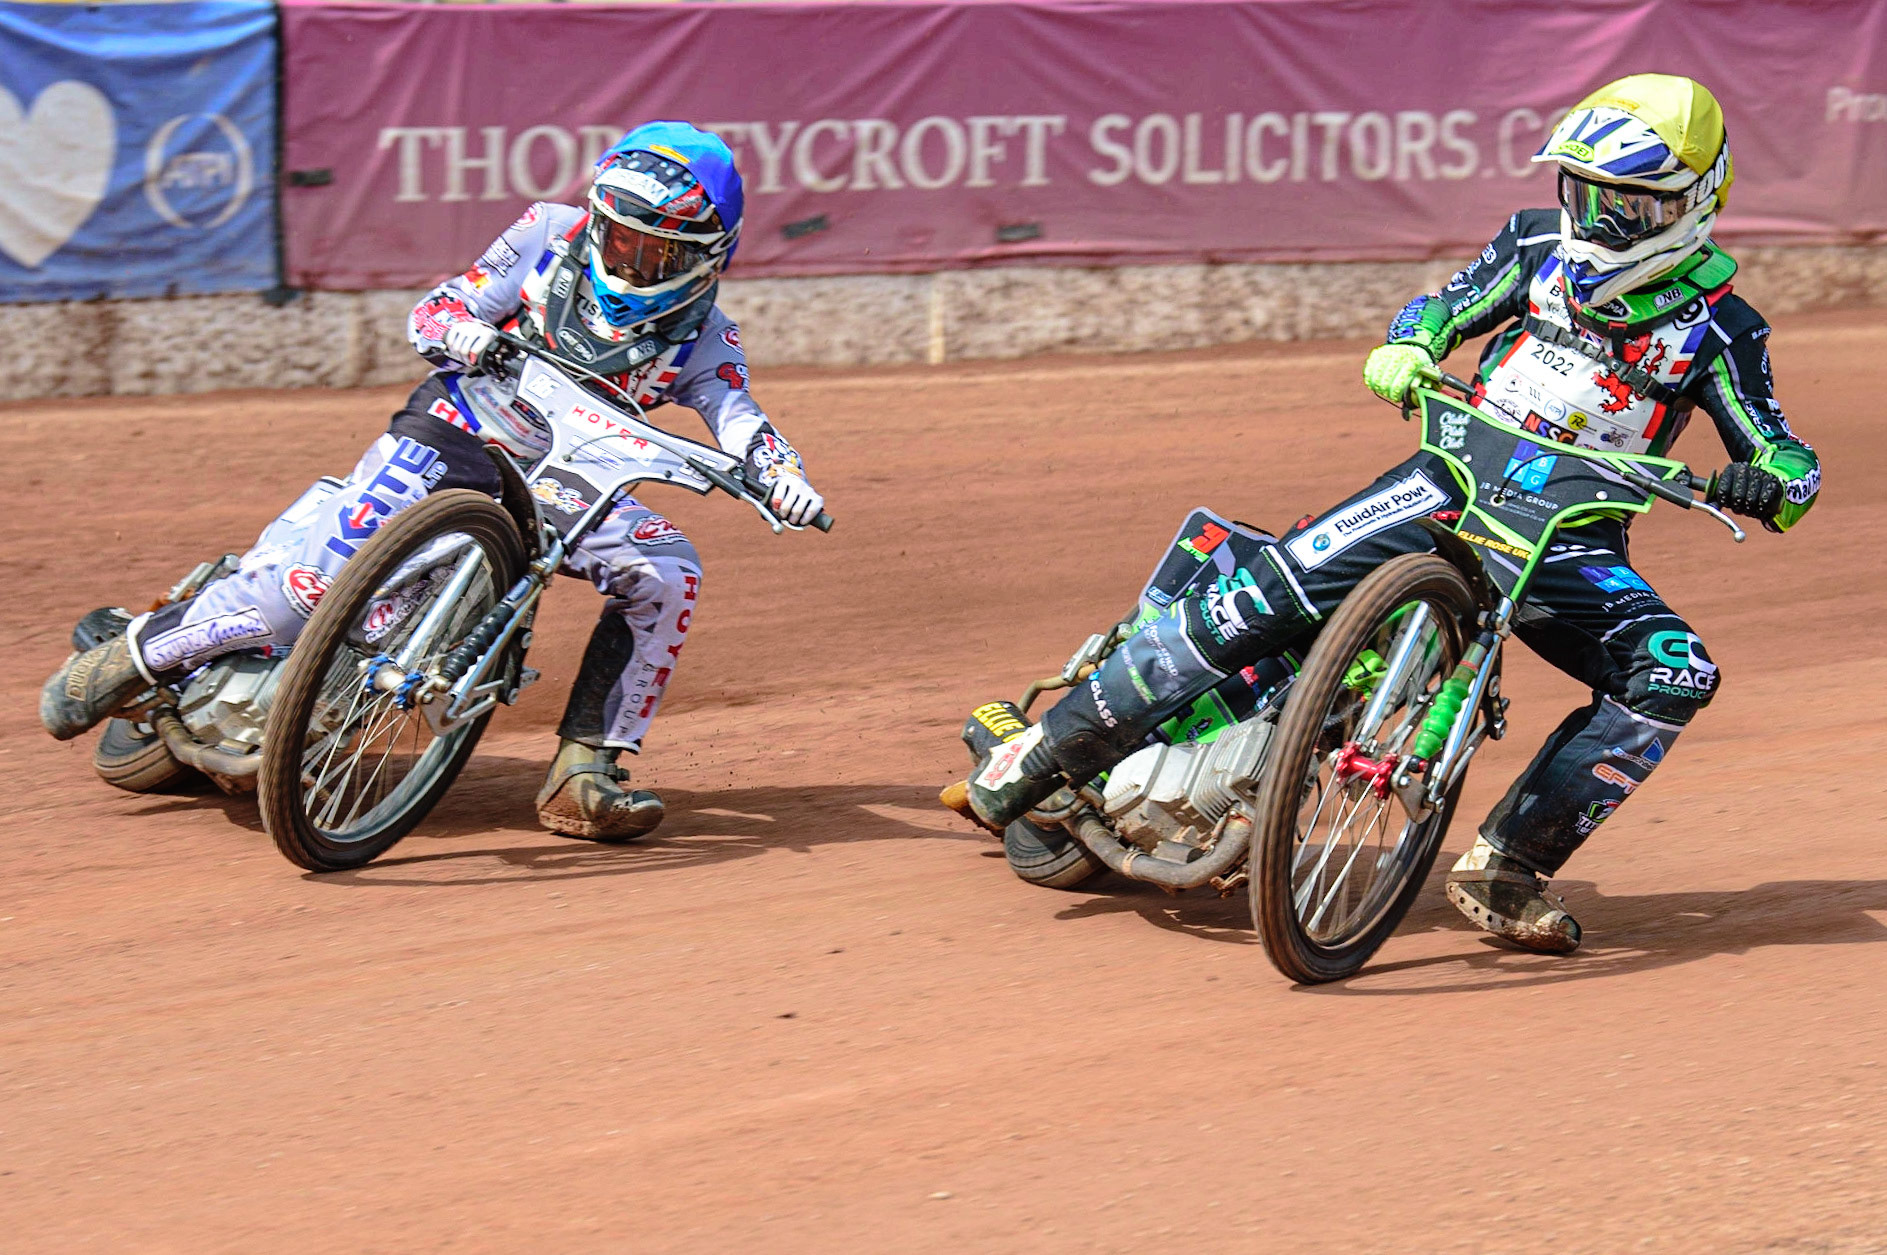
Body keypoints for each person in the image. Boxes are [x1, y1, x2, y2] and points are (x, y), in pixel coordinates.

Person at [961, 75, 1819, 953]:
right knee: (1259, 595)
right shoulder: (1533, 244)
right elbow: (1443, 305)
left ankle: (1508, 866)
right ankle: (1044, 749)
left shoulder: (1723, 329)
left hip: (1569, 539)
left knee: (1674, 672)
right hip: (1445, 478)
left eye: (1622, 206)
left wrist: (1769, 482)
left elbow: (1788, 458)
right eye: (1582, 192)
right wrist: (1411, 341)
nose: (1593, 219)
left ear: (1686, 207)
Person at [42, 121, 825, 842]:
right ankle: (130, 659)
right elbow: (438, 306)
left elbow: (736, 413)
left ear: (703, 257)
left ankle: (585, 771)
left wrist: (780, 474)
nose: (627, 261)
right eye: (618, 239)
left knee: (666, 570)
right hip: (456, 430)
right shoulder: (548, 231)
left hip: (570, 488)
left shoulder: (706, 336)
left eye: (652, 253)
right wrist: (464, 332)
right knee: (310, 585)